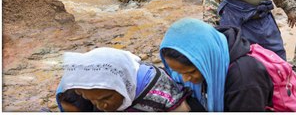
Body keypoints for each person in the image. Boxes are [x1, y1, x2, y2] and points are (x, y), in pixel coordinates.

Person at [160, 18, 274, 112]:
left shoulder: (245, 80)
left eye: (191, 72)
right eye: (179, 73)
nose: (185, 79)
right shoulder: (210, 55)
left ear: (206, 59)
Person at [55, 47, 195, 112]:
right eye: (93, 100)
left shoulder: (160, 92)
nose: (101, 106)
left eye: (106, 98)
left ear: (123, 85)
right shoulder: (92, 90)